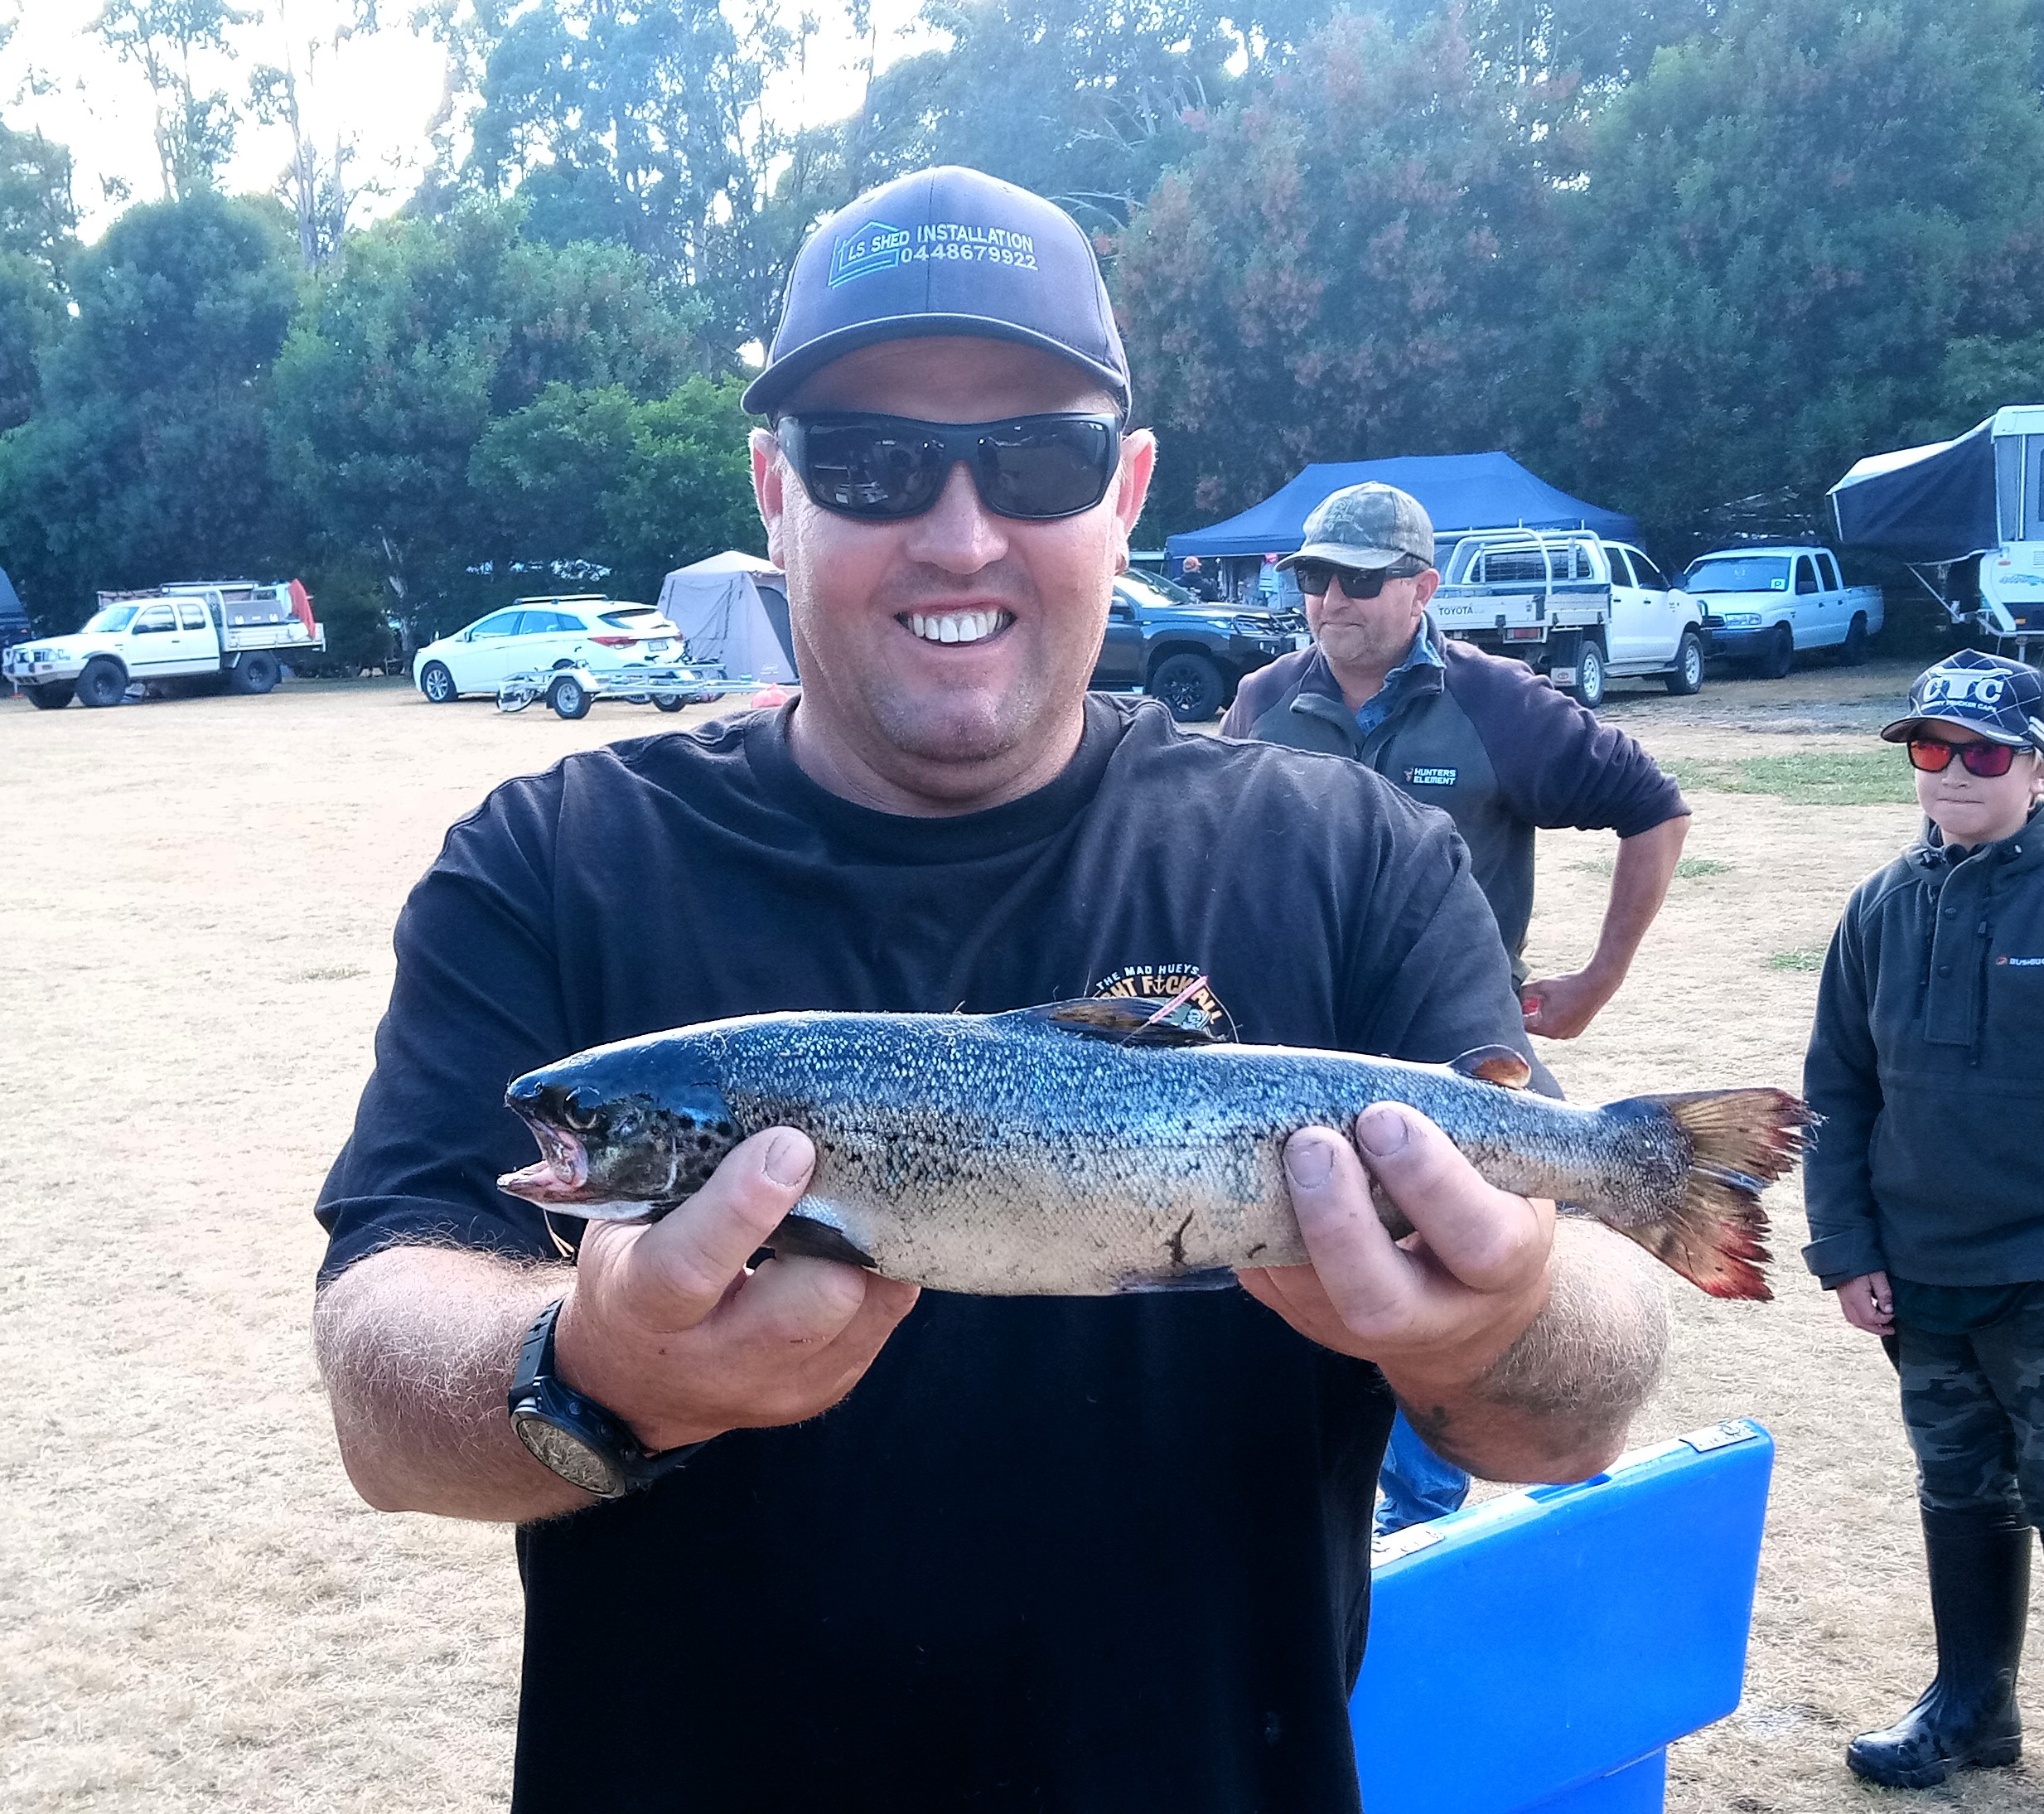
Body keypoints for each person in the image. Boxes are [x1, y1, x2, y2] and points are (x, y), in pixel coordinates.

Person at [310, 166, 1670, 1814]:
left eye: (1037, 453)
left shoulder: (1355, 857)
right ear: (772, 490)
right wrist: (585, 1364)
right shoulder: (551, 858)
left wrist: (1508, 1309)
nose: (958, 531)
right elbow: (382, 1387)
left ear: (1127, 489)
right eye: (871, 459)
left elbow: (1577, 1403)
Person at [1220, 482, 1692, 1531]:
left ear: (1425, 588)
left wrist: (1597, 978)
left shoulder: (1501, 704)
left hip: (1450, 1056)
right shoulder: (1257, 703)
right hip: (1291, 1066)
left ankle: (1422, 1521)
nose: (1329, 598)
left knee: (1471, 1298)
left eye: (1358, 577)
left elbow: (1653, 810)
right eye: (1310, 577)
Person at [1802, 651, 2044, 1814]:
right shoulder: (1876, 907)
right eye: (1929, 749)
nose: (1951, 774)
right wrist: (1847, 1249)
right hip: (1918, 1280)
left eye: (1979, 752)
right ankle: (1969, 1705)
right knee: (1957, 1486)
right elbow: (1837, 1089)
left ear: (2034, 765)